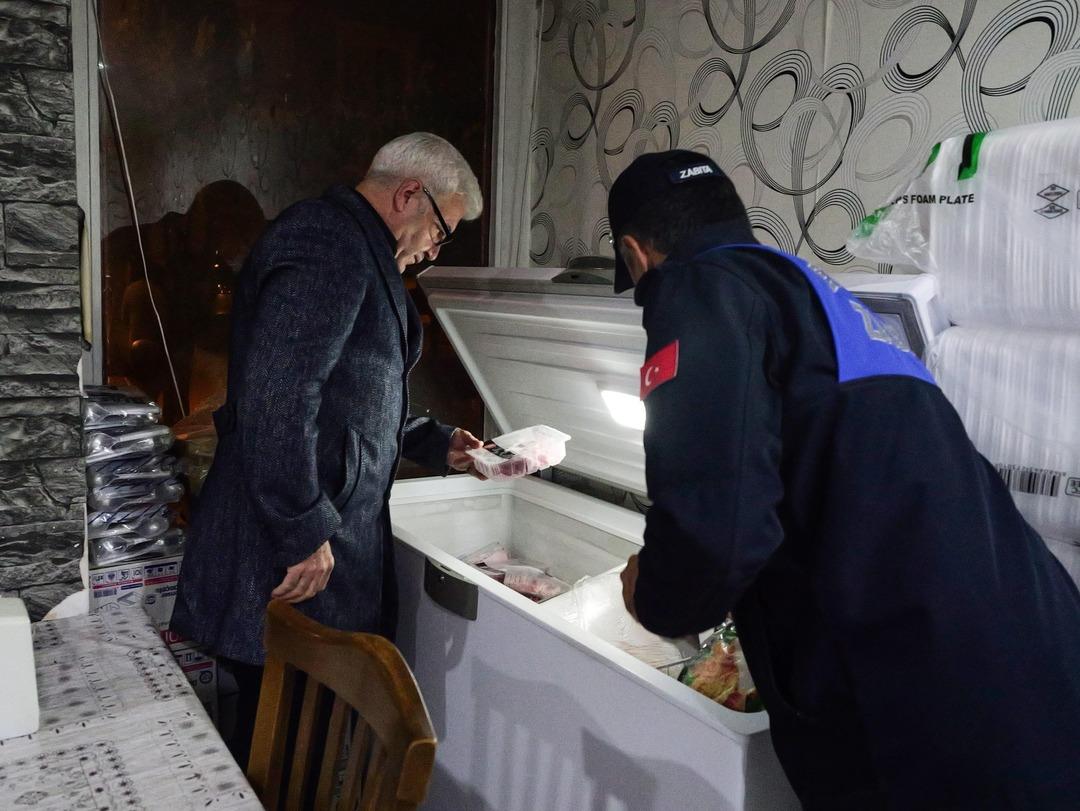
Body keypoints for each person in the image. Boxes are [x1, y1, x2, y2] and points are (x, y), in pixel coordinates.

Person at [610, 150, 1080, 809]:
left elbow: (714, 533)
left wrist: (656, 596)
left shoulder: (698, 286)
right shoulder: (817, 295)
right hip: (1037, 657)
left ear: (635, 254)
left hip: (928, 710)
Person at [171, 132, 486, 763]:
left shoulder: (355, 248)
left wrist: (439, 442)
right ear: (409, 194)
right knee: (285, 754)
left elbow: (351, 400)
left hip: (309, 553)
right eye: (440, 232)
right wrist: (301, 529)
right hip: (287, 560)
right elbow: (277, 396)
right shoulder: (328, 241)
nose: (432, 251)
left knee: (292, 746)